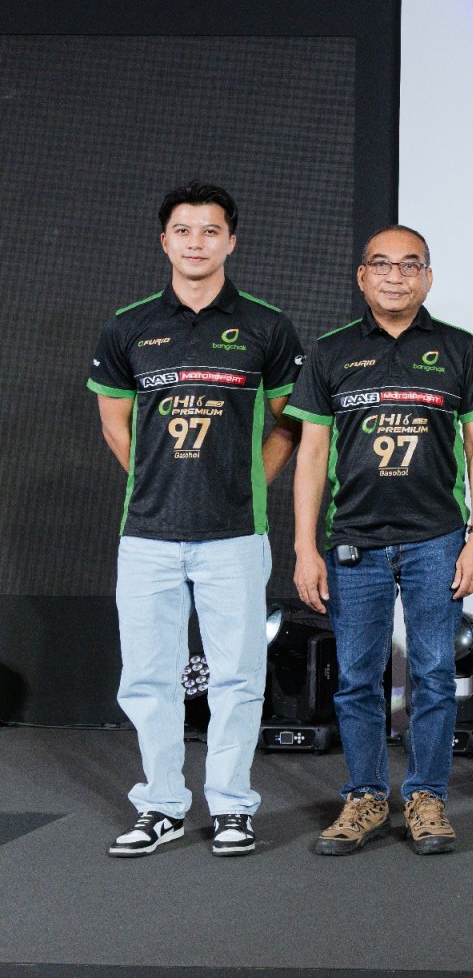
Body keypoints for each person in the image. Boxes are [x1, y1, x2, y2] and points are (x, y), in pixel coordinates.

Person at [88, 181, 303, 858]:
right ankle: (161, 806)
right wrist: (158, 482)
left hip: (234, 534)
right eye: (183, 230)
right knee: (147, 678)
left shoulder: (267, 325)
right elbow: (115, 424)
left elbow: (290, 425)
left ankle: (233, 806)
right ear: (165, 241)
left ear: (230, 241)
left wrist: (246, 483)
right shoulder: (127, 326)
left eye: (211, 230)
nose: (196, 242)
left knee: (237, 677)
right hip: (147, 535)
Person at [286, 226, 473, 856]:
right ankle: (365, 797)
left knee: (433, 673)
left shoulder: (459, 348)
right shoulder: (330, 352)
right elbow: (311, 455)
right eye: (381, 265)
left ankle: (427, 796)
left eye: (410, 266)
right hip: (354, 542)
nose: (395, 276)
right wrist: (304, 547)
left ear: (427, 277)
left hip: (438, 539)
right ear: (362, 277)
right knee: (357, 677)